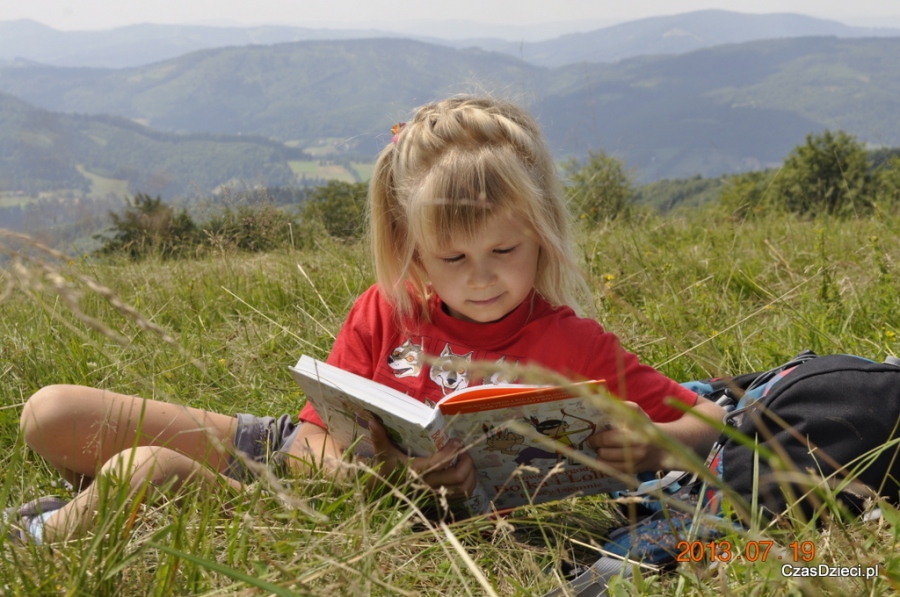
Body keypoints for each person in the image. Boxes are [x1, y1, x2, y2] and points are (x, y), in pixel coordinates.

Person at [11, 95, 723, 544]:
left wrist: (646, 447)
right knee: (50, 411)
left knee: (143, 469)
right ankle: (107, 503)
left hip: (351, 515)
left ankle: (35, 541)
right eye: (452, 256)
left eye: (505, 249)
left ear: (542, 234)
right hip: (309, 461)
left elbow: (704, 420)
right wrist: (357, 464)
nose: (482, 276)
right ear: (411, 249)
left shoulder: (573, 342)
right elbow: (314, 436)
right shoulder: (388, 309)